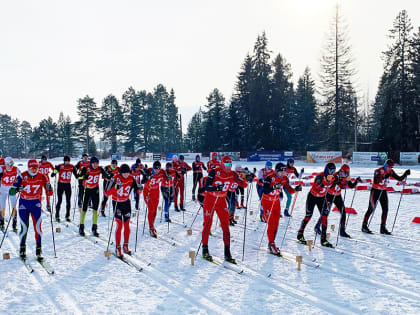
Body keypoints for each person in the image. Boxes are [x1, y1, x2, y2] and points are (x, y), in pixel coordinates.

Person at [201, 155, 247, 263]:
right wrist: (216, 188)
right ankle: (205, 249)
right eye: (226, 164)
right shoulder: (214, 172)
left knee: (226, 225)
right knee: (208, 224)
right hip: (210, 200)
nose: (228, 167)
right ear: (222, 164)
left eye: (230, 165)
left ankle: (227, 252)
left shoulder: (232, 174)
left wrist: (246, 178)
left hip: (221, 202)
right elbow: (207, 187)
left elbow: (243, 184)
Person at [362, 159, 410, 235]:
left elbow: (399, 178)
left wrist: (405, 174)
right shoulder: (378, 170)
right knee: (371, 209)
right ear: (385, 165)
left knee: (385, 209)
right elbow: (376, 181)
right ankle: (364, 226)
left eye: (391, 167)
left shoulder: (390, 171)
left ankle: (383, 228)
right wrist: (383, 177)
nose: (390, 168)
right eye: (388, 167)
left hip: (383, 191)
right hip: (375, 191)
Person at [262, 162, 301, 255]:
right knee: (271, 223)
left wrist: (296, 189)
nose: (284, 173)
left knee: (276, 224)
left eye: (285, 171)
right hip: (267, 202)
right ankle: (271, 243)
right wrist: (274, 187)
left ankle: (272, 242)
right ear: (277, 171)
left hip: (276, 202)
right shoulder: (270, 177)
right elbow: (265, 190)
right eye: (282, 171)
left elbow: (289, 190)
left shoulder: (284, 179)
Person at [18, 159, 53, 260]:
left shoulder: (42, 176)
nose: (34, 170)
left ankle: (39, 249)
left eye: (36, 168)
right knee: (24, 227)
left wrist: (49, 188)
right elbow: (12, 190)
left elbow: (50, 192)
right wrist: (17, 189)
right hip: (24, 204)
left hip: (35, 204)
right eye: (31, 168)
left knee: (38, 227)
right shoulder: (22, 175)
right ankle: (22, 248)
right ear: (28, 167)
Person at [105, 164, 142, 258]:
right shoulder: (114, 178)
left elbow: (137, 189)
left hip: (126, 203)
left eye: (127, 173)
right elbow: (107, 193)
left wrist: (140, 189)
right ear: (120, 172)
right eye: (124, 173)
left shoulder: (131, 178)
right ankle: (118, 248)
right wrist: (116, 188)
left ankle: (125, 245)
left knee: (127, 224)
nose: (126, 175)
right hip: (117, 203)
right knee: (119, 224)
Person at [314, 164, 362, 238]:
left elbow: (351, 186)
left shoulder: (346, 177)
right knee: (326, 213)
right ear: (341, 171)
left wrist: (356, 181)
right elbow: (329, 185)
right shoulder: (334, 175)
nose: (345, 175)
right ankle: (317, 226)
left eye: (347, 173)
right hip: (329, 195)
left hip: (337, 196)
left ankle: (342, 231)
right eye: (344, 173)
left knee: (343, 212)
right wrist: (338, 183)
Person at [297, 162, 336, 248]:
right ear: (327, 170)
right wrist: (325, 182)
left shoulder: (333, 177)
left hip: (321, 198)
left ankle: (323, 240)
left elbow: (338, 181)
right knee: (308, 215)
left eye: (334, 170)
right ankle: (300, 234)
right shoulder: (320, 176)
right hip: (312, 197)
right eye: (331, 170)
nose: (332, 172)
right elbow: (317, 187)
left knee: (324, 216)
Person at [77, 156, 113, 237]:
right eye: (94, 163)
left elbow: (106, 175)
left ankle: (94, 228)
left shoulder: (100, 169)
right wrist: (83, 177)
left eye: (97, 163)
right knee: (84, 208)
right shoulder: (85, 168)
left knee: (95, 209)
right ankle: (81, 227)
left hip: (95, 190)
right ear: (91, 163)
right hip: (87, 190)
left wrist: (109, 175)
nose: (96, 165)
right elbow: (77, 176)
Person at [51, 156, 78, 222]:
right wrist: (55, 170)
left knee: (68, 201)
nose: (67, 162)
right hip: (60, 184)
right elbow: (52, 175)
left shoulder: (72, 166)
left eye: (68, 161)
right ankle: (57, 215)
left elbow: (76, 176)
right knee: (59, 200)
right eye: (66, 161)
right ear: (64, 161)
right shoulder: (60, 166)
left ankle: (67, 216)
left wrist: (82, 174)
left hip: (68, 185)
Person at [142, 161, 164, 237]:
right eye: (155, 169)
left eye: (158, 169)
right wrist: (146, 176)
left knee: (154, 211)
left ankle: (152, 224)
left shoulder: (161, 172)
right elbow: (142, 181)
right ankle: (151, 228)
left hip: (156, 193)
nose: (157, 170)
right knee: (151, 210)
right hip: (147, 193)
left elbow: (168, 174)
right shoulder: (149, 171)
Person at [0, 157, 22, 232]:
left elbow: (21, 177)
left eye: (12, 163)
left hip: (11, 188)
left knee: (14, 206)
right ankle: (1, 222)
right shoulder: (2, 168)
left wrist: (18, 186)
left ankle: (14, 224)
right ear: (5, 164)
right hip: (3, 188)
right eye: (9, 163)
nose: (11, 165)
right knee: (2, 206)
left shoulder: (16, 169)